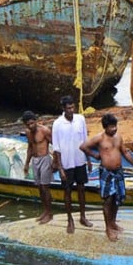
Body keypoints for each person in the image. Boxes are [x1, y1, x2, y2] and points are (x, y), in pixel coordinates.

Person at [79, 113, 133, 241]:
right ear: (105, 127)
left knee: (117, 198)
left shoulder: (118, 137)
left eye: (115, 126)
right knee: (108, 200)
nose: (114, 129)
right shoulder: (99, 138)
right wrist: (95, 155)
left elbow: (125, 152)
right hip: (106, 172)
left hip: (118, 171)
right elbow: (83, 146)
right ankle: (108, 228)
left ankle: (113, 222)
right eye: (111, 127)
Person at [51, 96, 90, 234]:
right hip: (66, 164)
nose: (71, 110)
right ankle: (70, 220)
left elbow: (85, 141)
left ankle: (83, 217)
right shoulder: (57, 124)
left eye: (73, 107)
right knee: (67, 191)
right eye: (68, 108)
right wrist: (60, 168)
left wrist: (89, 160)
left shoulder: (81, 119)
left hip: (80, 160)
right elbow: (56, 148)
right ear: (63, 109)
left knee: (81, 188)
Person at [22, 110, 54, 224]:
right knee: (40, 188)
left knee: (45, 187)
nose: (30, 126)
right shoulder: (28, 132)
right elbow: (30, 147)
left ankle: (49, 214)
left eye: (32, 123)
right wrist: (26, 163)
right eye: (28, 124)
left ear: (36, 121)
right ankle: (45, 211)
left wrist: (55, 162)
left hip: (45, 159)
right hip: (35, 161)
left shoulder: (44, 131)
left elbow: (55, 145)